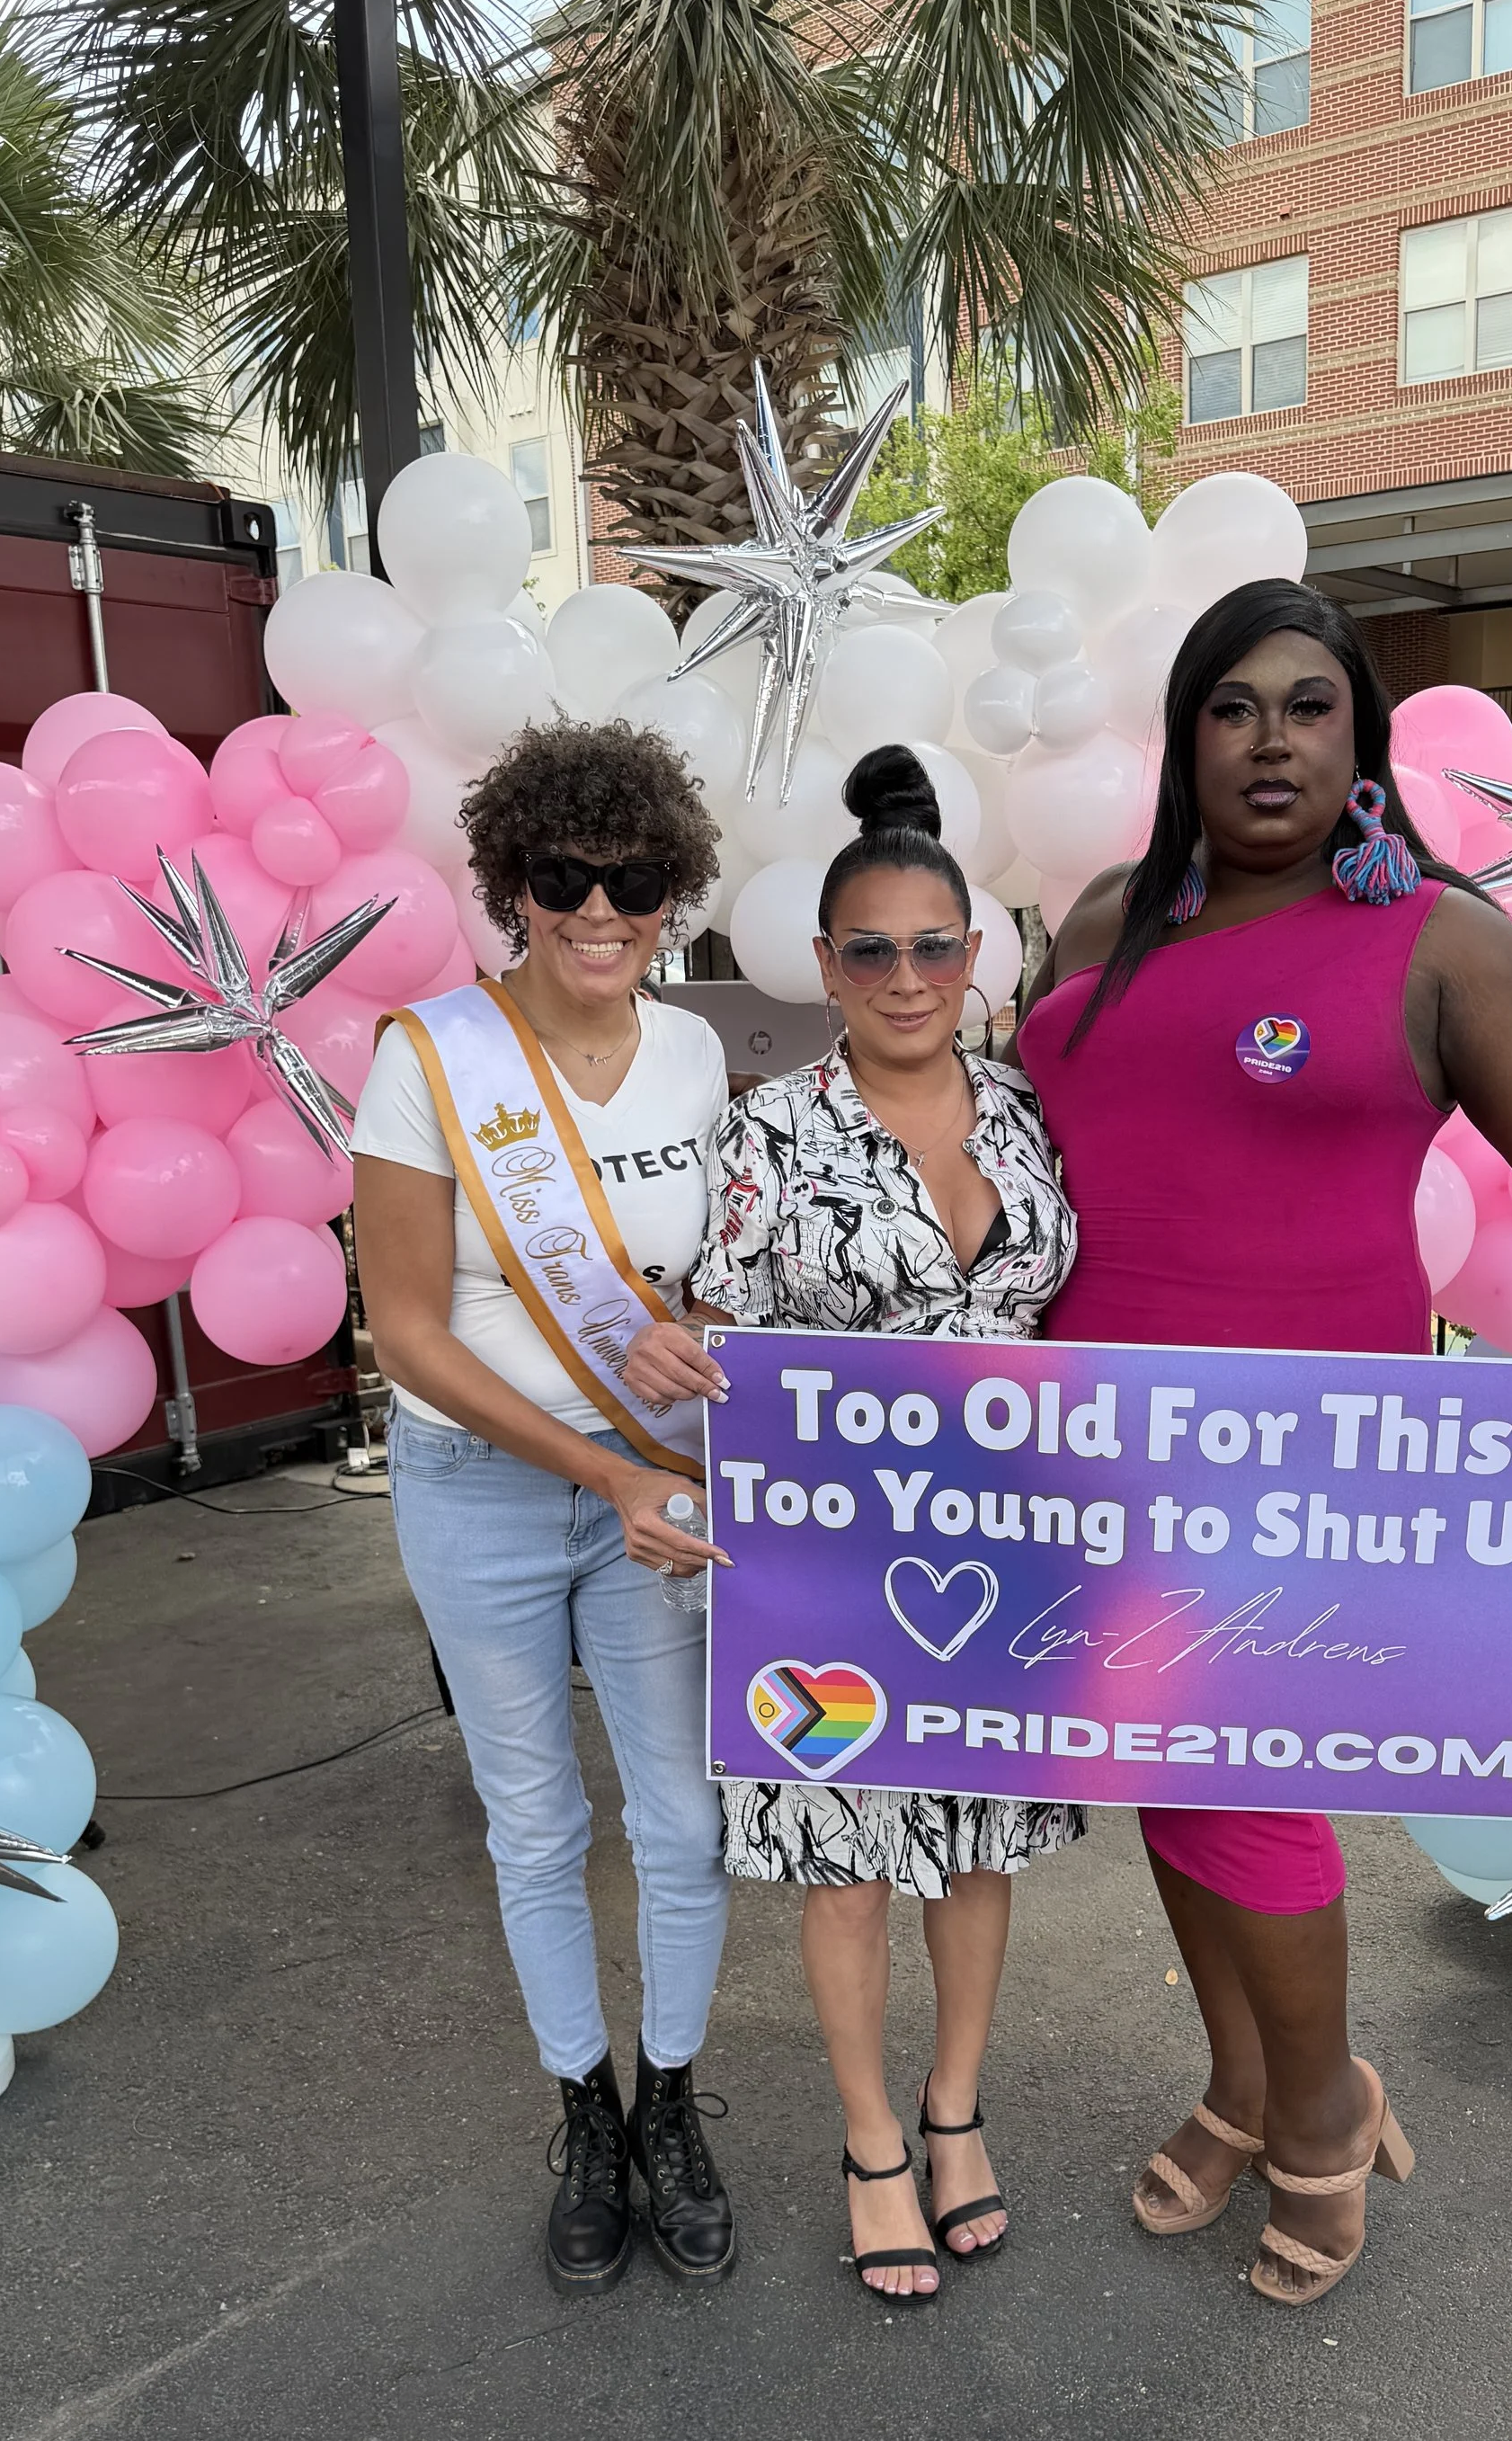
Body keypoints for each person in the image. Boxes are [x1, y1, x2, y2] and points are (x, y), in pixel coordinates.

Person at [1018, 580, 1512, 2309]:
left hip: (1300, 1459)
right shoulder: (1105, 923)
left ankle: (1326, 2109)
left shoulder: (1435, 935)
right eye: (1232, 708)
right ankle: (1247, 2082)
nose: (1269, 739)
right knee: (1168, 1788)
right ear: (1186, 738)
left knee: (1250, 1798)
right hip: (1097, 1445)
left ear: (1359, 739)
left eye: (1307, 706)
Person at [627, 744, 1081, 2309]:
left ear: (976, 954)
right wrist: (668, 1414)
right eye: (870, 949)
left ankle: (957, 2112)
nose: (905, 975)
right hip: (827, 1562)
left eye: (934, 945)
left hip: (1004, 1546)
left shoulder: (1029, 1110)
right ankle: (873, 2139)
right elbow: (720, 1336)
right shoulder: (767, 1134)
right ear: (824, 963)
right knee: (848, 1864)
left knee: (974, 1847)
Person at [351, 715, 740, 2294]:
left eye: (634, 877)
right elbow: (411, 1328)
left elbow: (702, 1274)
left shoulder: (700, 1050)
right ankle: (581, 2107)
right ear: (515, 881)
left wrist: (688, 1320)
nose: (601, 909)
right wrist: (603, 1468)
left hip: (660, 1482)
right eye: (566, 877)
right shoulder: (428, 1053)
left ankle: (668, 2101)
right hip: (487, 1486)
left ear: (675, 888)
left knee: (684, 1818)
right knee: (536, 1820)